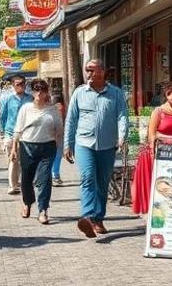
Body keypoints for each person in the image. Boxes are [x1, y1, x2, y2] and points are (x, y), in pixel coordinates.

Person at [64, 59, 128, 238]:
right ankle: (88, 217)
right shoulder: (79, 93)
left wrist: (122, 136)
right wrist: (67, 144)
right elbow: (71, 120)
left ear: (102, 71)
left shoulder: (115, 93)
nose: (89, 74)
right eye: (87, 70)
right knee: (87, 177)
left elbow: (122, 115)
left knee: (102, 182)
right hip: (84, 144)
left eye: (92, 70)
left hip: (108, 145)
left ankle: (99, 219)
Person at [133, 81, 172, 215]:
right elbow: (152, 134)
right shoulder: (158, 112)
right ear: (167, 94)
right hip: (159, 152)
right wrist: (156, 150)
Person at [11, 79, 63, 224]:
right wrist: (14, 149)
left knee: (44, 179)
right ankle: (27, 202)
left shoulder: (53, 110)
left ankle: (43, 210)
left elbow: (59, 130)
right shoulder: (26, 108)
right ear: (32, 92)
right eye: (36, 89)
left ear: (47, 92)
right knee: (26, 179)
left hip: (47, 147)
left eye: (43, 90)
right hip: (27, 146)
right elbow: (18, 129)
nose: (39, 92)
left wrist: (61, 148)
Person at [0, 76, 33, 195]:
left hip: (26, 133)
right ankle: (12, 185)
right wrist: (2, 133)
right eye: (18, 84)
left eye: (23, 83)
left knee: (25, 160)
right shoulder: (7, 99)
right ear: (13, 85)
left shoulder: (30, 99)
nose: (21, 86)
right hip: (11, 133)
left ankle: (23, 183)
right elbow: (2, 116)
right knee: (13, 159)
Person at [51, 93, 66, 186]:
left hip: (51, 134)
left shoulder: (52, 108)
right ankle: (55, 176)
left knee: (52, 157)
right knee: (57, 156)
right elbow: (60, 122)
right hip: (58, 135)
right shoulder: (60, 107)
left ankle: (52, 176)